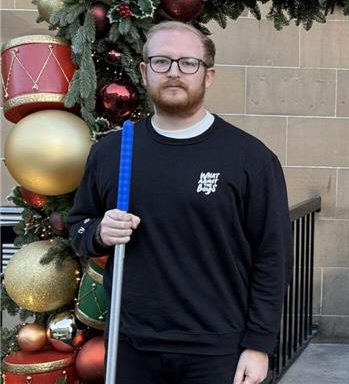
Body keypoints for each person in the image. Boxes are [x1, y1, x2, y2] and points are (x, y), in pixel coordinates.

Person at [68, 21, 293, 384]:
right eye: (161, 62)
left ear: (208, 76)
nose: (174, 72)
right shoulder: (112, 152)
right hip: (132, 347)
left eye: (188, 63)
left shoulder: (249, 159)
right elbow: (79, 227)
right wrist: (98, 231)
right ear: (144, 72)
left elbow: (273, 257)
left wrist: (259, 344)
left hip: (218, 350)